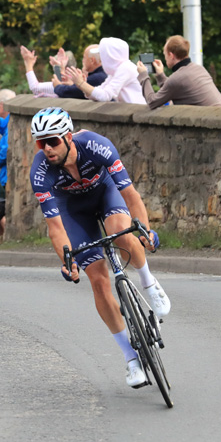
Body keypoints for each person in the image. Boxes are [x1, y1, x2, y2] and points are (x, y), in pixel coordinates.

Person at [28, 107, 170, 388]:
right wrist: (67, 262)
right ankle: (131, 360)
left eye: (53, 141)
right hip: (73, 210)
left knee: (122, 232)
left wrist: (144, 229)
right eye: (40, 143)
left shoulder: (96, 145)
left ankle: (149, 283)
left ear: (68, 137)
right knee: (97, 278)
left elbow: (130, 195)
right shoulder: (40, 171)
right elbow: (56, 228)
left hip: (104, 193)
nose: (47, 149)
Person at [138, 35, 221, 109]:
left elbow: (152, 102)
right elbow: (173, 88)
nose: (165, 58)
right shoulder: (199, 69)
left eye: (165, 54)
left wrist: (143, 75)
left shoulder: (177, 78)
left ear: (171, 55)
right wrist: (160, 75)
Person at [66, 37, 146, 105]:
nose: (100, 58)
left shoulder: (125, 68)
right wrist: (83, 85)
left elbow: (105, 96)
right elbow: (100, 91)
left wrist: (81, 83)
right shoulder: (118, 70)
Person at [22, 45, 106, 99]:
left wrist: (28, 63)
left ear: (92, 60)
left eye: (84, 58)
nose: (82, 60)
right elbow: (70, 89)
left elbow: (66, 92)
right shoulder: (100, 76)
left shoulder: (97, 78)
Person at [0, 89, 17, 186]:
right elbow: (5, 130)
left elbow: (7, 148)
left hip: (9, 175)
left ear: (2, 105)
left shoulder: (12, 125)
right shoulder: (12, 120)